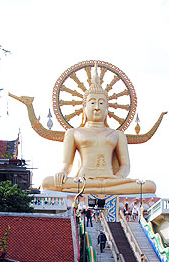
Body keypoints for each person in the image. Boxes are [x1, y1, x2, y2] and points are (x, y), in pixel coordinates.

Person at [41, 63, 156, 195]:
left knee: (149, 186)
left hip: (111, 180)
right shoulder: (73, 133)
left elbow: (125, 166)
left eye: (101, 103)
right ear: (84, 107)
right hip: (82, 180)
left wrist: (119, 177)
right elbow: (67, 164)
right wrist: (62, 172)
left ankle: (91, 190)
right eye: (92, 103)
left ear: (107, 108)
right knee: (47, 182)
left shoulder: (117, 134)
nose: (97, 107)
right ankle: (97, 189)